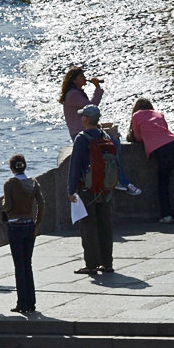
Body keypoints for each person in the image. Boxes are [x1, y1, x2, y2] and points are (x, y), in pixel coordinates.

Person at [68, 104, 133, 275]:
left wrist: (71, 189)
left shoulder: (82, 138)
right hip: (106, 188)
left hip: (87, 188)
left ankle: (91, 264)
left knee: (88, 225)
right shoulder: (106, 136)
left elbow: (75, 166)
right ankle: (107, 263)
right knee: (105, 224)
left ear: (85, 119)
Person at [129, 98, 174, 224]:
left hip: (163, 150)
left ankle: (166, 215)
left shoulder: (136, 115)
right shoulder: (159, 114)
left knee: (163, 183)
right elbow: (165, 130)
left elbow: (138, 137)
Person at [2, 153, 45, 313]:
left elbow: (8, 207)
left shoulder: (10, 184)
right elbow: (41, 204)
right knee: (28, 264)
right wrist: (37, 223)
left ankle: (22, 303)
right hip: (29, 226)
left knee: (19, 266)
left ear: (12, 168)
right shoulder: (33, 183)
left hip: (15, 227)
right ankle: (31, 302)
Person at [59, 66, 104, 141]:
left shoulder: (77, 92)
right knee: (113, 141)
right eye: (81, 76)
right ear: (74, 80)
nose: (84, 77)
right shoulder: (73, 94)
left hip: (84, 131)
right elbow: (92, 107)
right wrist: (97, 88)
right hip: (80, 133)